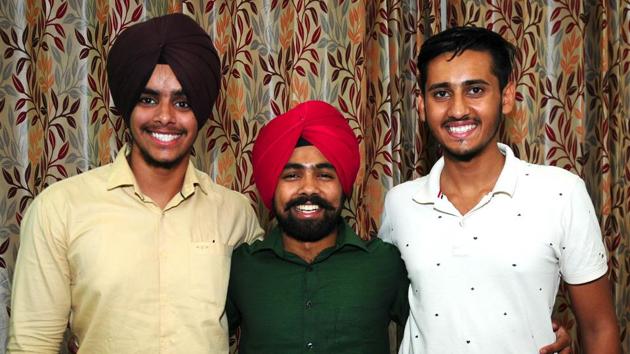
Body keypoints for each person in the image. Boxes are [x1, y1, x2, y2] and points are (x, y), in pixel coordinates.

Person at [8, 13, 262, 353]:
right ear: (128, 107)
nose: (165, 116)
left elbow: (267, 314)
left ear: (200, 113)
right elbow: (32, 344)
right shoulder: (59, 209)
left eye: (183, 102)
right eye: (148, 99)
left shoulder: (236, 213)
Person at [379, 26, 620, 353]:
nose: (458, 109)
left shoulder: (561, 194)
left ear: (506, 97)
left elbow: (599, 328)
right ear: (421, 105)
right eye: (441, 93)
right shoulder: (400, 203)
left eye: (475, 90)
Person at [226, 100, 409, 353]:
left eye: (324, 175)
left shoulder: (385, 263)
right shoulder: (241, 267)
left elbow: (434, 330)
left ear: (343, 185)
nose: (309, 188)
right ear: (272, 186)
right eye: (292, 175)